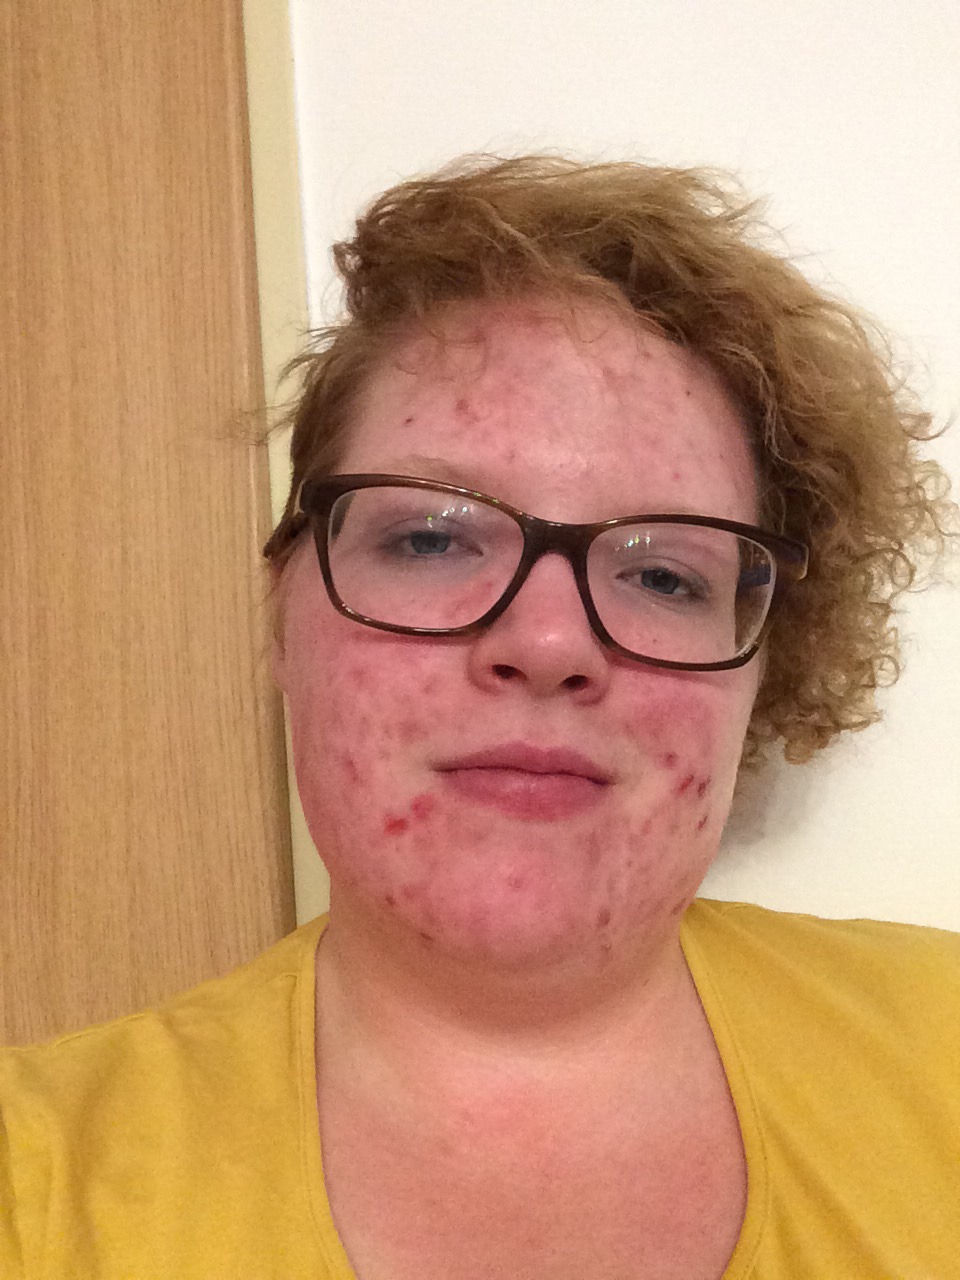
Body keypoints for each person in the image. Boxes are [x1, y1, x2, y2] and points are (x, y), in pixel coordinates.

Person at [2, 155, 958, 1279]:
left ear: (763, 665)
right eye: (429, 538)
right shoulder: (37, 1182)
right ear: (282, 618)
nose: (549, 643)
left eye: (663, 575)